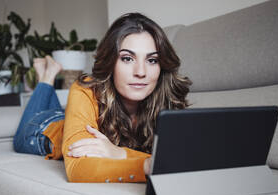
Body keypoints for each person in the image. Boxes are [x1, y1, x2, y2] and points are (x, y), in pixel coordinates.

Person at [13, 12, 191, 183]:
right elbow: (76, 168)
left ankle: (46, 74)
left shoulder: (167, 97)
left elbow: (184, 161)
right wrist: (143, 165)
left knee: (63, 113)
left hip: (74, 119)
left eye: (152, 60)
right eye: (127, 58)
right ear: (110, 62)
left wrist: (120, 153)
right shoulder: (85, 88)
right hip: (44, 129)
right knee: (19, 139)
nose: (141, 72)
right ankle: (47, 76)